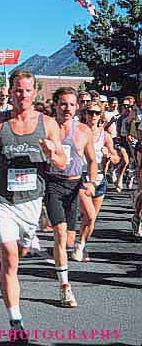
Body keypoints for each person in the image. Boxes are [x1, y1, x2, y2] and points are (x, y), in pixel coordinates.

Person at [0, 70, 66, 337]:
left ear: (35, 93)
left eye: (26, 90)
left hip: (31, 201)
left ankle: (5, 258)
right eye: (17, 89)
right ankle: (16, 322)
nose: (21, 94)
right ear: (10, 92)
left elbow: (62, 163)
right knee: (10, 258)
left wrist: (50, 154)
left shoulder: (47, 124)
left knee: (20, 253)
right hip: (0, 198)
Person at [44, 87, 97, 307]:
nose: (67, 108)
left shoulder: (84, 130)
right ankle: (65, 287)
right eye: (63, 104)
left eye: (72, 104)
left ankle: (7, 253)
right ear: (55, 105)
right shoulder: (46, 127)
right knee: (59, 233)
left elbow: (93, 160)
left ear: (77, 107)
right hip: (52, 184)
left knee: (68, 240)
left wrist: (91, 182)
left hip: (75, 186)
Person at [72, 102, 119, 262]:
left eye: (97, 113)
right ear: (85, 114)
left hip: (100, 178)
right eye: (90, 112)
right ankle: (78, 244)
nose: (93, 116)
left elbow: (116, 157)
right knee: (89, 215)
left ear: (101, 115)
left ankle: (81, 244)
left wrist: (109, 155)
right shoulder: (78, 131)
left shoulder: (104, 135)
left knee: (91, 218)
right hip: (82, 177)